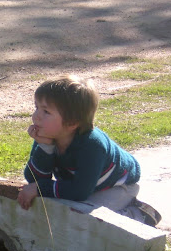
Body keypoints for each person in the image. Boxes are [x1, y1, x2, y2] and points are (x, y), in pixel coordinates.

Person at [16, 75, 161, 226]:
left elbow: (79, 192)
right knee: (59, 207)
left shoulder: (92, 145)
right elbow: (33, 178)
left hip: (116, 186)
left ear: (72, 122)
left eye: (46, 111)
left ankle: (137, 215)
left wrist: (40, 188)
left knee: (85, 218)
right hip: (84, 184)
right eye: (36, 107)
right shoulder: (47, 136)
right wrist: (45, 148)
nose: (36, 116)